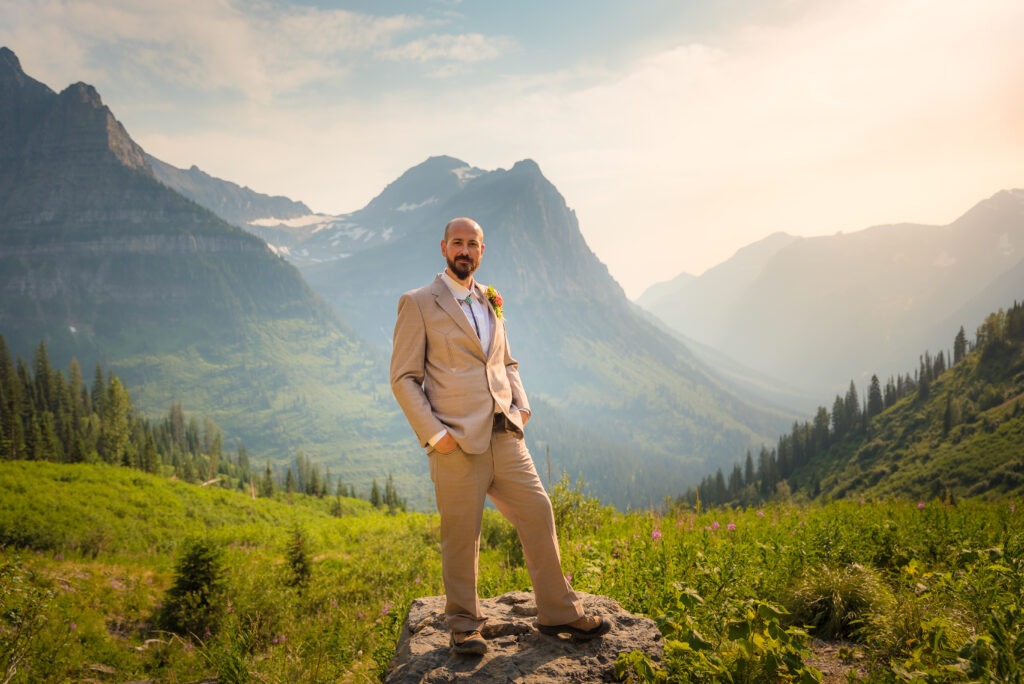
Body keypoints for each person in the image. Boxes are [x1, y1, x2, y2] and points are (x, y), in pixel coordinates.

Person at [390, 217, 611, 655]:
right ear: (443, 248)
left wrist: (521, 407)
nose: (464, 250)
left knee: (538, 510)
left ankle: (558, 611)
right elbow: (403, 378)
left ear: (482, 251)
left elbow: (507, 363)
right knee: (461, 533)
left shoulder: (489, 299)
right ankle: (464, 624)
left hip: (505, 434)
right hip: (455, 442)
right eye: (457, 243)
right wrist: (436, 436)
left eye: (472, 244)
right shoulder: (417, 303)